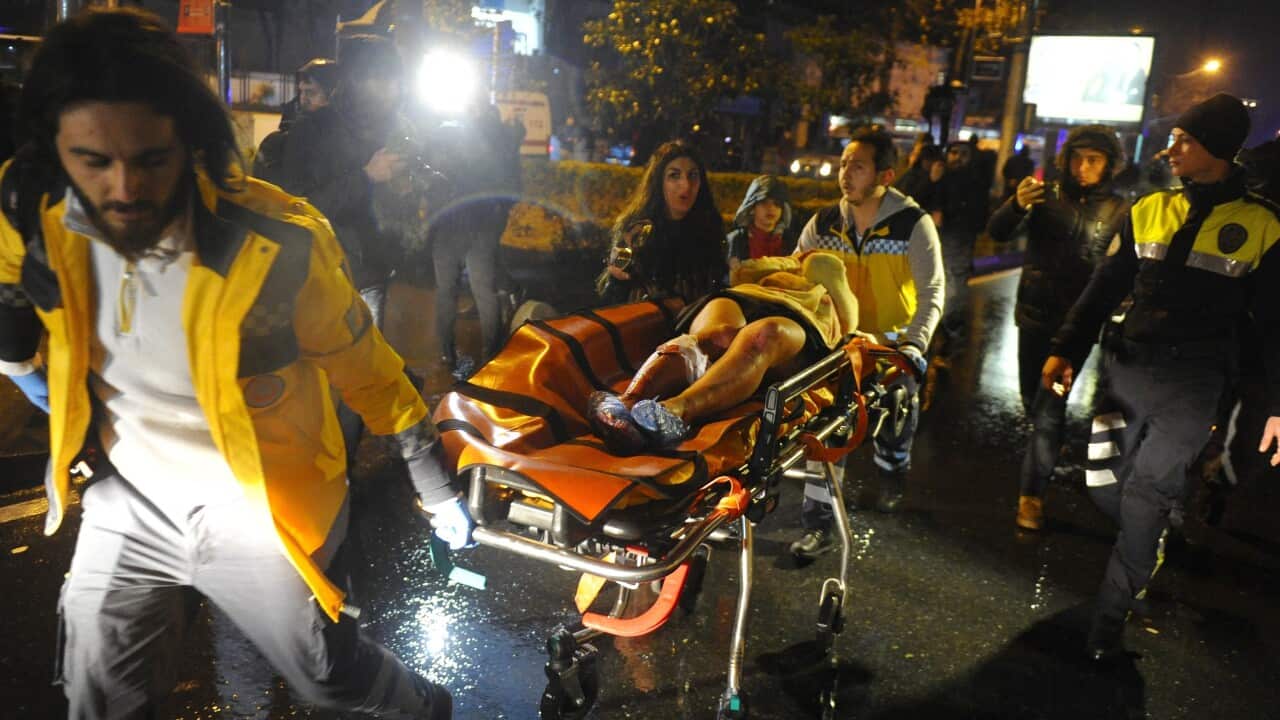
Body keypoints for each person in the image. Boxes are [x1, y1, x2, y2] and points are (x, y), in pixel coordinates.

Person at [0, 9, 470, 718]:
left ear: (187, 141)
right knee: (99, 689)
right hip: (131, 496)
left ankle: (423, 707)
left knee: (323, 675)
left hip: (259, 500)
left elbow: (369, 370)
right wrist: (21, 359)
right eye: (93, 160)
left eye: (150, 158)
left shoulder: (277, 247)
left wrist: (435, 491)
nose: (124, 189)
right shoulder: (30, 213)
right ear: (54, 152)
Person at [1042, 94, 1280, 662]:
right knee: (1102, 485)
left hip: (1195, 383)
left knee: (1147, 494)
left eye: (1185, 141)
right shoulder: (1148, 207)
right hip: (1127, 371)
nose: (1170, 149)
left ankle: (1108, 620)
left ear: (1217, 151)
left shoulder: (1263, 225)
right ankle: (1149, 539)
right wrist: (1066, 348)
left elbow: (1271, 326)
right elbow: (1104, 287)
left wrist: (1272, 402)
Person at [788, 126, 944, 556]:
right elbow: (796, 278)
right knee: (825, 436)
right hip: (838, 355)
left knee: (894, 429)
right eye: (843, 164)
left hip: (892, 352)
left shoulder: (914, 225)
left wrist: (916, 344)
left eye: (858, 165)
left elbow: (932, 291)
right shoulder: (822, 224)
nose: (845, 173)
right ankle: (817, 526)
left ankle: (892, 471)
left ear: (886, 175)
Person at [987, 125, 1130, 530]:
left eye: (1094, 160)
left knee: (1049, 408)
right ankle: (1047, 448)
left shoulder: (1121, 210)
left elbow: (1126, 267)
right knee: (1031, 398)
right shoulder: (1045, 196)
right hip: (1034, 317)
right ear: (1065, 160)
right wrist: (1015, 204)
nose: (1084, 167)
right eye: (1078, 158)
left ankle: (1031, 495)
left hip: (1077, 325)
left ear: (1109, 166)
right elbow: (997, 233)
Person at [587, 252, 857, 454]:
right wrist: (790, 261)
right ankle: (627, 403)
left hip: (799, 318)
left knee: (764, 335)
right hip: (746, 297)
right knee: (719, 334)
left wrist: (808, 261)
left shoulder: (824, 280)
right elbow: (743, 271)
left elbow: (848, 315)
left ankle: (676, 412)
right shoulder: (776, 267)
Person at [417, 89, 522, 376]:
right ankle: (489, 352)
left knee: (450, 290)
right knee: (480, 289)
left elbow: (433, 177)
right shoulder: (497, 139)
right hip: (478, 222)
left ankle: (448, 354)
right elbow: (507, 180)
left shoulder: (452, 136)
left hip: (455, 223)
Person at [597, 140, 728, 304]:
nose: (686, 185)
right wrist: (617, 275)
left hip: (700, 322)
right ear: (659, 182)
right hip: (648, 321)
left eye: (693, 175)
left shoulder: (710, 227)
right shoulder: (637, 229)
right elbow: (611, 296)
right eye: (674, 175)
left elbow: (717, 285)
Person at [935, 141, 990, 354]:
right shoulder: (940, 176)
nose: (957, 157)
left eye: (963, 154)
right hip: (935, 240)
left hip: (959, 241)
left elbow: (979, 216)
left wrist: (953, 217)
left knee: (954, 290)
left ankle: (950, 338)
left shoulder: (975, 182)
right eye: (953, 152)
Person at [725, 174, 795, 272]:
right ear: (752, 207)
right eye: (764, 203)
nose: (771, 208)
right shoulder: (735, 240)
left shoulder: (789, 241)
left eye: (777, 204)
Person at [893, 143, 945, 224]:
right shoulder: (913, 175)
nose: (930, 163)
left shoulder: (941, 177)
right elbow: (909, 198)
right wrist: (930, 180)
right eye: (927, 159)